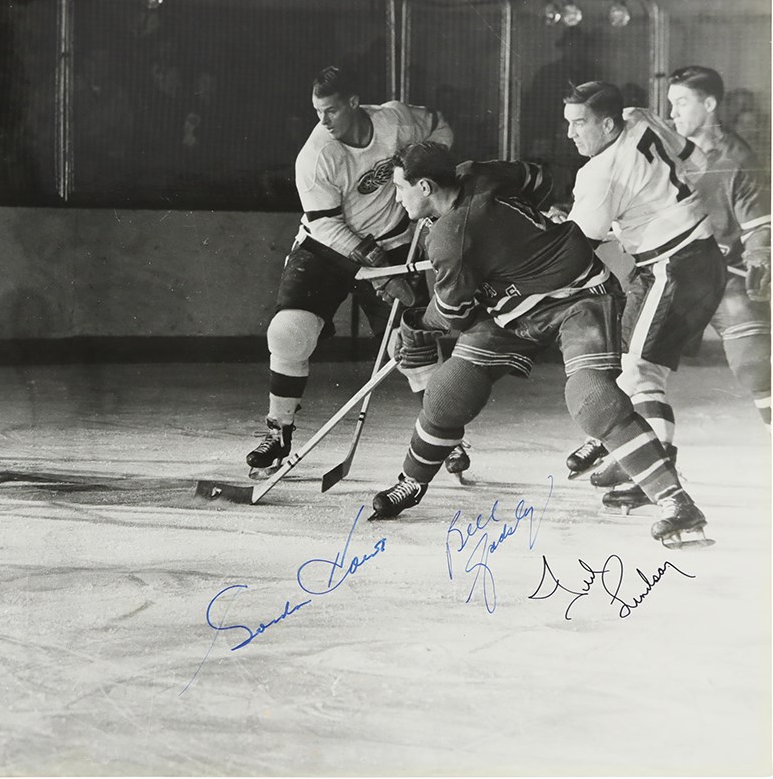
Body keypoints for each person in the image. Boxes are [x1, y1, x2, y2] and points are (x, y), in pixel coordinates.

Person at [370, 142, 706, 547]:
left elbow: (453, 316)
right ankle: (412, 481)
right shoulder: (478, 169)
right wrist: (524, 233)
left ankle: (677, 504)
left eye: (399, 188)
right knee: (448, 392)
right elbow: (539, 178)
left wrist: (412, 323)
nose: (396, 197)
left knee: (593, 399)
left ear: (424, 186)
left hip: (578, 298)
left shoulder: (450, 237)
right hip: (512, 311)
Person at [246, 65, 463, 480]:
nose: (322, 121)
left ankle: (446, 436)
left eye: (329, 111)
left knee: (412, 343)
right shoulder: (316, 156)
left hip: (393, 239)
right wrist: (380, 268)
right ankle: (279, 431)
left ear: (353, 103)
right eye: (316, 112)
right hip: (326, 248)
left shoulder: (395, 120)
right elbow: (326, 224)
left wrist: (423, 178)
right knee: (288, 332)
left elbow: (439, 129)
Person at [560, 82, 727, 510]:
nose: (571, 134)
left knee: (639, 373)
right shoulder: (639, 115)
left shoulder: (598, 173)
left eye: (580, 124)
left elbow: (579, 246)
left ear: (608, 122)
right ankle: (636, 456)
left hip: (673, 267)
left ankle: (656, 473)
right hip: (697, 255)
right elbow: (696, 159)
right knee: (632, 368)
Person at [666, 66, 770, 431]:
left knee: (754, 363)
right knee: (634, 356)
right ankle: (622, 445)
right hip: (678, 273)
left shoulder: (737, 160)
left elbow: (761, 226)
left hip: (727, 275)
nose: (673, 113)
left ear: (709, 104)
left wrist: (760, 257)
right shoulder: (670, 152)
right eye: (670, 104)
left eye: (681, 103)